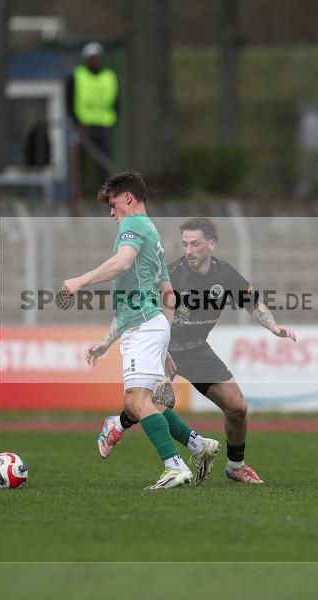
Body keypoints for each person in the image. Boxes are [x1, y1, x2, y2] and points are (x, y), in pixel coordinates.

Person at [90, 217, 297, 484]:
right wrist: (106, 342)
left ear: (211, 244)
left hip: (197, 351)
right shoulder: (172, 275)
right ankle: (121, 428)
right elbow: (132, 309)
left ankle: (235, 466)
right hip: (163, 348)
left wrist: (273, 326)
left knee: (237, 407)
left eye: (195, 244)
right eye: (185, 244)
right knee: (152, 403)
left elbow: (253, 303)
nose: (189, 250)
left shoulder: (224, 274)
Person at [63, 172, 219, 489]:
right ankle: (199, 446)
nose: (111, 212)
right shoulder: (153, 233)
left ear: (128, 199)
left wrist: (80, 281)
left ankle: (175, 467)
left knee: (136, 403)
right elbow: (167, 293)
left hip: (144, 327)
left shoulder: (132, 225)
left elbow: (121, 263)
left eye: (113, 203)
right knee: (151, 404)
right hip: (151, 324)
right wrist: (159, 344)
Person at [66, 42, 119, 196]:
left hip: (103, 126)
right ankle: (77, 197)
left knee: (102, 166)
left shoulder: (109, 77)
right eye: (91, 58)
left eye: (96, 57)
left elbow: (116, 100)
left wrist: (114, 120)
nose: (94, 61)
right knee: (80, 165)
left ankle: (105, 197)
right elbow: (69, 101)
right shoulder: (78, 76)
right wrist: (76, 121)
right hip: (83, 127)